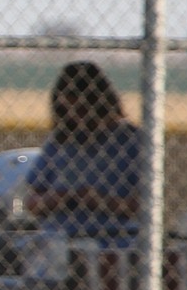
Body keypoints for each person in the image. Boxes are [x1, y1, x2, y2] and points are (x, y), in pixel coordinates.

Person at [23, 60, 143, 245]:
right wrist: (59, 198)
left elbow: (144, 204)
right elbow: (32, 201)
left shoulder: (130, 141)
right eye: (65, 110)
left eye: (81, 109)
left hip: (114, 237)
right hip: (58, 237)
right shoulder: (61, 140)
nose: (74, 118)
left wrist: (99, 200)